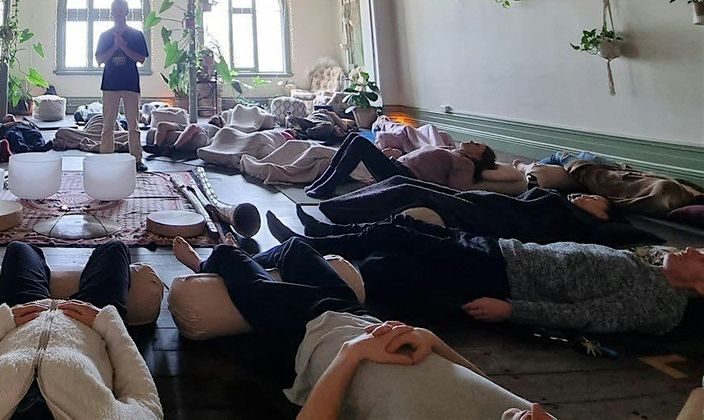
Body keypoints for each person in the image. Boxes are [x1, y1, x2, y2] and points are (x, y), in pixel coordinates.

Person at [170, 235, 548, 420]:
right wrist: (431, 339)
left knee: (226, 254)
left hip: (307, 333)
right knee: (296, 248)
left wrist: (352, 355)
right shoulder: (528, 416)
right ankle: (247, 265)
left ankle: (210, 267)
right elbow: (480, 383)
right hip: (360, 317)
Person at [267, 212, 701, 335]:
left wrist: (511, 309)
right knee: (404, 231)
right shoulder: (653, 265)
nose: (688, 248)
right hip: (505, 252)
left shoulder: (660, 304)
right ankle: (315, 242)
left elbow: (588, 317)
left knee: (397, 239)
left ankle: (306, 245)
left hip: (503, 276)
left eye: (699, 255)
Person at [0, 241, 162, 418]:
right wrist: (107, 324)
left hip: (21, 319)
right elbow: (146, 404)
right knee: (114, 248)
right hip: (92, 326)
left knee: (20, 249)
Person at [312, 176, 662, 247]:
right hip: (481, 201)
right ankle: (333, 210)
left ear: (603, 213)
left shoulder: (587, 226)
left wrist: (664, 245)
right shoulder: (566, 205)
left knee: (408, 192)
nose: (582, 196)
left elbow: (637, 236)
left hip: (489, 220)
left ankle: (335, 217)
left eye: (592, 198)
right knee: (401, 180)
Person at [305, 135, 496, 198]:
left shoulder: (465, 164)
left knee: (360, 143)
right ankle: (323, 182)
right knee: (353, 138)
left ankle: (328, 186)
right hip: (395, 166)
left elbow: (457, 188)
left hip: (403, 177)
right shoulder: (452, 152)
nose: (471, 141)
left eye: (477, 145)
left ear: (477, 157)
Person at [95, 0, 151, 171]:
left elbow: (141, 59)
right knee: (107, 125)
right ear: (111, 13)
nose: (118, 13)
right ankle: (106, 158)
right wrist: (114, 47)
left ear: (127, 12)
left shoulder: (136, 35)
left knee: (133, 125)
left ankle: (136, 159)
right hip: (110, 84)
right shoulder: (105, 36)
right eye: (115, 10)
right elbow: (100, 59)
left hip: (130, 84)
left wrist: (124, 47)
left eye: (121, 9)